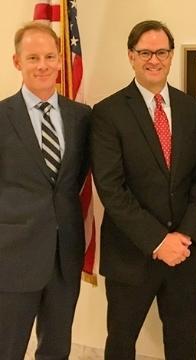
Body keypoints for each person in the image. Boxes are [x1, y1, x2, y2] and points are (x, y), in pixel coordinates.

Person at [90, 20, 196, 360]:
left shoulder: (191, 108)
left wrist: (183, 236)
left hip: (186, 255)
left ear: (171, 56)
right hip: (131, 254)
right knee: (120, 345)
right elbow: (111, 189)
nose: (153, 59)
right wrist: (159, 241)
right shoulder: (107, 113)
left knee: (184, 346)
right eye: (145, 52)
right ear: (131, 56)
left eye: (161, 52)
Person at [0, 22, 91, 359]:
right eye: (33, 57)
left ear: (59, 61)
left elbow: (74, 179)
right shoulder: (1, 116)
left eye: (50, 56)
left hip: (64, 255)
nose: (42, 65)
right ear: (16, 61)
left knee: (56, 349)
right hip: (12, 256)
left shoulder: (82, 117)